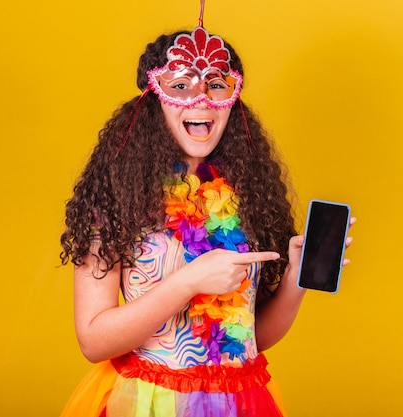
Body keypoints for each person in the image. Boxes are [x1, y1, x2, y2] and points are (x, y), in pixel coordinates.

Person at [58, 4, 354, 417]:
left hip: (240, 400)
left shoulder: (249, 198)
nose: (201, 98)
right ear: (153, 100)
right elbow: (93, 341)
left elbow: (252, 337)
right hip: (149, 404)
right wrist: (190, 281)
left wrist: (295, 279)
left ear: (233, 101)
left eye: (216, 84)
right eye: (180, 85)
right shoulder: (116, 200)